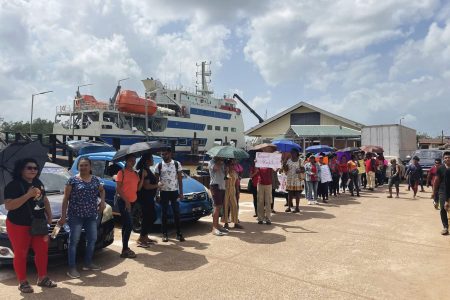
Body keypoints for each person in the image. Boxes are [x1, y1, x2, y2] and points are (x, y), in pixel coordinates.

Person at [4, 158, 57, 293]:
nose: (33, 170)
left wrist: (49, 216)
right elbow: (9, 205)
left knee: (42, 251)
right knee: (21, 253)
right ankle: (22, 282)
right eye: (29, 168)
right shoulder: (13, 185)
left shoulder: (38, 182)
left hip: (38, 224)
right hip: (18, 224)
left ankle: (42, 278)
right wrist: (28, 195)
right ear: (21, 169)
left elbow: (44, 199)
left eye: (35, 168)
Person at [59, 157, 106, 278]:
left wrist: (102, 202)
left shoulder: (95, 180)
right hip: (76, 216)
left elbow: (102, 190)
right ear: (78, 167)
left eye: (86, 165)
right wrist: (63, 216)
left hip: (91, 215)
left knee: (92, 239)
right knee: (73, 242)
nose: (83, 167)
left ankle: (88, 263)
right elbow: (65, 199)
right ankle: (72, 268)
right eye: (81, 165)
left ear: (90, 167)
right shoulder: (72, 180)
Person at [155, 148, 185, 242]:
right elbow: (156, 181)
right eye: (162, 154)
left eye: (166, 154)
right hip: (164, 192)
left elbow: (180, 179)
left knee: (176, 212)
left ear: (170, 154)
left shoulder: (177, 164)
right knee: (164, 213)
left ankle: (179, 234)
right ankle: (164, 234)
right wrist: (157, 194)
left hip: (174, 192)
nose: (164, 156)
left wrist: (181, 193)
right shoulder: (159, 165)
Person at [116, 154, 140, 258]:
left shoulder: (135, 173)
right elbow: (119, 189)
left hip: (133, 201)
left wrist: (142, 177)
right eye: (130, 160)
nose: (132, 162)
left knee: (126, 225)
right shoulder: (121, 173)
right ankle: (125, 249)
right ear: (126, 161)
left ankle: (124, 248)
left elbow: (137, 188)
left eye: (134, 160)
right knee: (130, 225)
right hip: (124, 202)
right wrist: (126, 202)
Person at [136, 154, 160, 246]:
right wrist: (157, 185)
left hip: (149, 198)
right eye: (152, 159)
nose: (153, 161)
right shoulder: (144, 171)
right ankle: (141, 238)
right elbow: (146, 186)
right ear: (147, 161)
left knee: (151, 216)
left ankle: (145, 236)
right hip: (144, 198)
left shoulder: (148, 169)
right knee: (149, 217)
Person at [209, 156, 228, 236]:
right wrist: (219, 161)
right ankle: (214, 228)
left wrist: (226, 169)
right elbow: (216, 168)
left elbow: (225, 175)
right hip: (215, 185)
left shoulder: (223, 163)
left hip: (222, 186)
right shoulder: (211, 162)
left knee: (219, 207)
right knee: (216, 207)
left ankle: (218, 226)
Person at [432, 151, 450, 235]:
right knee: (443, 208)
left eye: (449, 157)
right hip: (442, 191)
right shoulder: (440, 168)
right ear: (443, 159)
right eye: (446, 157)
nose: (447, 159)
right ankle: (445, 227)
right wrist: (434, 192)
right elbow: (436, 181)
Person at [256, 147, 274, 225]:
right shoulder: (259, 161)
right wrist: (256, 163)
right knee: (260, 201)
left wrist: (280, 163)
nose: (265, 151)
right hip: (260, 183)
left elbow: (275, 170)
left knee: (268, 202)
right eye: (263, 150)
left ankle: (268, 219)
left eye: (266, 150)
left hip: (268, 184)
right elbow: (256, 171)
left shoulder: (270, 161)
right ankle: (260, 218)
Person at [283, 148, 304, 212]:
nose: (292, 154)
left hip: (298, 180)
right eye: (291, 153)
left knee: (297, 194)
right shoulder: (289, 160)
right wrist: (284, 163)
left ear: (296, 153)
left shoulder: (300, 160)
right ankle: (289, 207)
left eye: (293, 153)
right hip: (290, 179)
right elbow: (286, 170)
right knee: (290, 194)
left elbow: (303, 169)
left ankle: (297, 207)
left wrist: (300, 170)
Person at [222, 159, 241, 229]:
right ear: (228, 165)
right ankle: (226, 223)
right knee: (226, 206)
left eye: (234, 164)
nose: (233, 166)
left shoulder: (235, 173)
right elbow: (224, 180)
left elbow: (236, 183)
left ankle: (235, 222)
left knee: (235, 206)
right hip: (226, 190)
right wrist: (226, 172)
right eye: (232, 164)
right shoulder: (225, 172)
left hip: (233, 190)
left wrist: (238, 191)